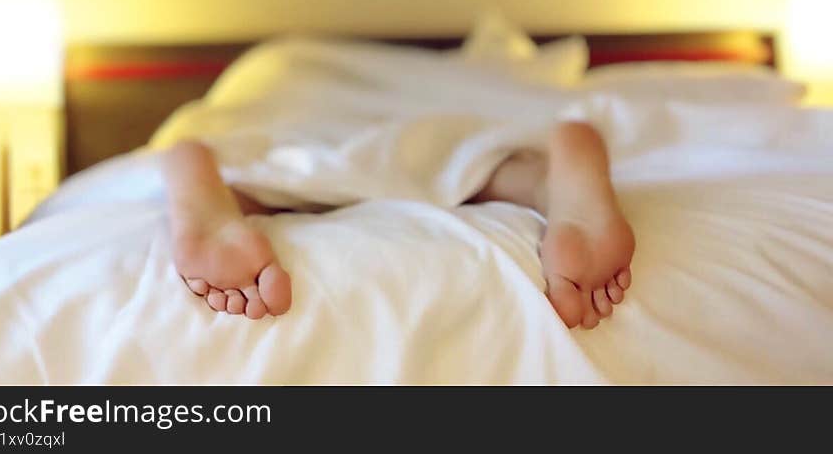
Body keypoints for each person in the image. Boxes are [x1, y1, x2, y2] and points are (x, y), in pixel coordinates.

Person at [162, 120, 634, 330]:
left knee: (272, 173)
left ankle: (205, 185)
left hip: (297, 140)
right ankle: (551, 180)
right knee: (484, 167)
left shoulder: (287, 79)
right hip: (451, 135)